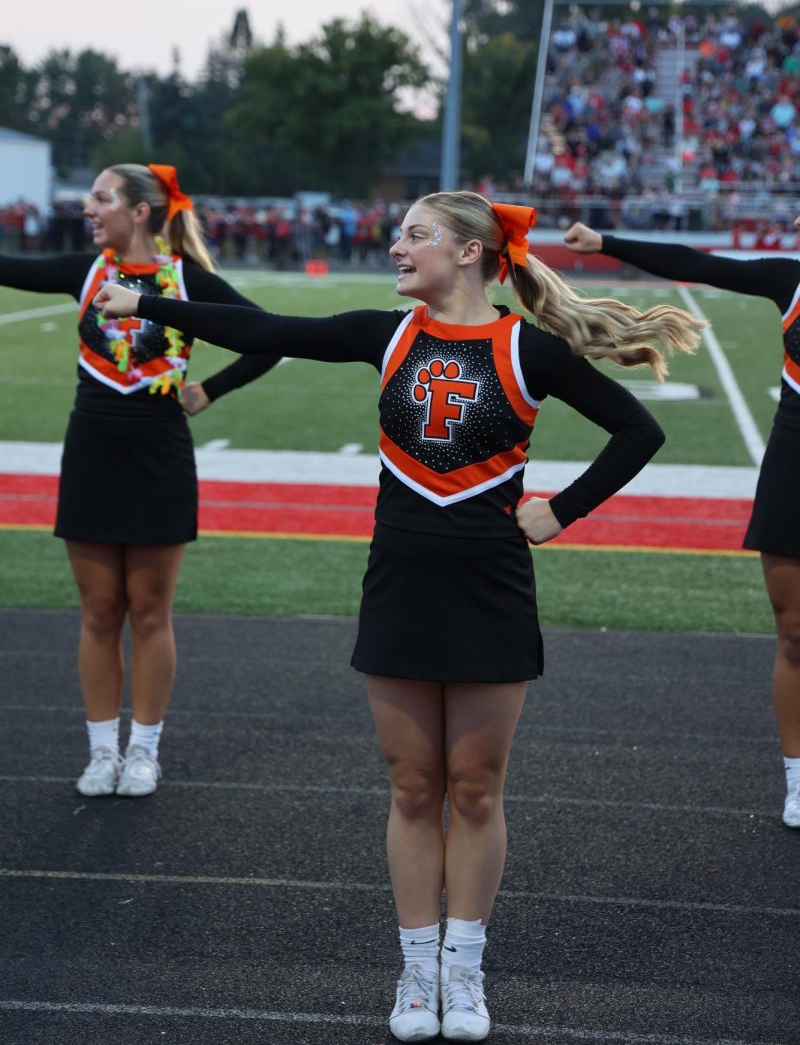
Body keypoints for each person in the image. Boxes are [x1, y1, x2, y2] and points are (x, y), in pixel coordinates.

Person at [96, 191, 702, 1043]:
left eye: (415, 234)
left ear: (467, 253)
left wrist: (562, 511)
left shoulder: (528, 349)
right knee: (414, 786)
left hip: (490, 586)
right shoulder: (386, 334)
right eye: (399, 232)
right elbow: (268, 332)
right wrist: (147, 300)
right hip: (400, 581)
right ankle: (417, 971)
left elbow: (637, 431)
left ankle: (466, 967)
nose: (396, 246)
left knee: (477, 790)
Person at [0, 164, 281, 799]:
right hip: (93, 451)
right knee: (99, 612)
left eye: (100, 199)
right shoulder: (83, 270)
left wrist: (210, 389)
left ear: (142, 212)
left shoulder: (185, 279)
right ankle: (102, 751)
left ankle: (144, 753)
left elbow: (267, 337)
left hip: (159, 454)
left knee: (151, 613)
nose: (87, 208)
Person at [563, 217, 800, 832]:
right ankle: (799, 778)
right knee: (795, 631)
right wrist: (605, 243)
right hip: (795, 461)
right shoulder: (790, 279)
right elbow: (696, 263)